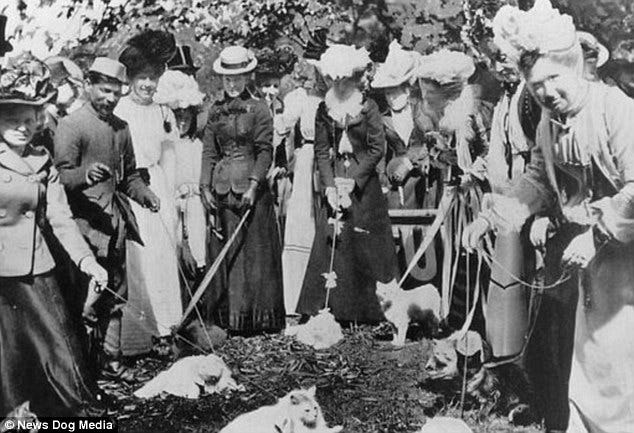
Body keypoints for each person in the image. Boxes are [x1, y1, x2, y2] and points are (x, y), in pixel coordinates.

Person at [466, 1, 634, 431]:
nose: (546, 92)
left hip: (624, 255)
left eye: (554, 79)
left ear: (576, 66)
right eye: (535, 84)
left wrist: (597, 235)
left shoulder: (617, 111)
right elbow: (540, 178)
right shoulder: (548, 121)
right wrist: (497, 215)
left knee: (618, 362)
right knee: (584, 360)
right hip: (590, 260)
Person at [0, 53, 108, 416]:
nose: (23, 126)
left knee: (58, 344)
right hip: (1, 273)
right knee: (7, 355)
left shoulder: (42, 159)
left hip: (38, 266)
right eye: (13, 118)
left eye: (29, 118)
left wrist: (87, 260)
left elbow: (60, 217)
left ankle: (69, 414)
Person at [55, 56, 161, 382]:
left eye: (116, 92)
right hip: (84, 228)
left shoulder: (121, 128)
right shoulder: (71, 125)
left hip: (114, 224)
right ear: (88, 86)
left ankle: (112, 362)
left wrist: (145, 195)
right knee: (88, 300)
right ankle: (83, 371)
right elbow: (59, 178)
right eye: (104, 90)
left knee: (116, 296)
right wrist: (85, 175)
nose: (110, 98)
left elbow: (128, 176)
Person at [295, 44, 398, 323]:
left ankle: (371, 311)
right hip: (335, 177)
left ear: (353, 78)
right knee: (333, 239)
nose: (339, 85)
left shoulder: (368, 107)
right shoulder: (323, 108)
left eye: (344, 79)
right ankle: (332, 309)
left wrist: (354, 182)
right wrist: (329, 185)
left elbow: (378, 149)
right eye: (333, 79)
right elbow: (321, 150)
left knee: (365, 240)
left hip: (364, 184)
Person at [200, 45, 285, 333]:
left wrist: (253, 184)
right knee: (229, 253)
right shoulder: (215, 110)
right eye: (227, 79)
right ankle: (230, 320)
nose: (233, 84)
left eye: (238, 78)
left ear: (248, 77)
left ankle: (258, 320)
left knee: (255, 255)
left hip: (252, 191)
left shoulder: (260, 109)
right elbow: (209, 152)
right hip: (223, 189)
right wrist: (205, 187)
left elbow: (265, 151)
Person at [115, 29, 183, 356]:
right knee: (136, 260)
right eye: (141, 78)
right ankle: (135, 337)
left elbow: (169, 156)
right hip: (130, 188)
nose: (147, 85)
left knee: (162, 258)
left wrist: (173, 198)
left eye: (153, 78)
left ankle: (166, 329)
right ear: (130, 79)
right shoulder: (119, 110)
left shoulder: (163, 111)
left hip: (159, 188)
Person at [278, 59, 326, 315]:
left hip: (327, 158)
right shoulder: (297, 99)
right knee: (301, 222)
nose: (306, 80)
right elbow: (284, 130)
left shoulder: (330, 97)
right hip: (307, 159)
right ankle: (296, 297)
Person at [154, 69, 207, 284]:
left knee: (197, 246)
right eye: (178, 117)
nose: (182, 121)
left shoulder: (198, 145)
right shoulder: (165, 146)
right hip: (171, 205)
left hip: (195, 206)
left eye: (187, 116)